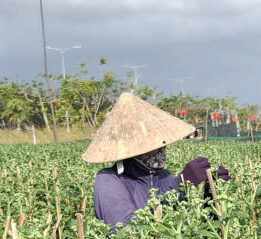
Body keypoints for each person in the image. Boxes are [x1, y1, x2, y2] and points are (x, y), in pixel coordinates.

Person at [84, 93, 229, 229]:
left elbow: (188, 228)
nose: (161, 149)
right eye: (154, 145)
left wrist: (209, 196)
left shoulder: (165, 177)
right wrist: (182, 184)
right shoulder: (109, 180)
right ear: (134, 150)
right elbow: (126, 233)